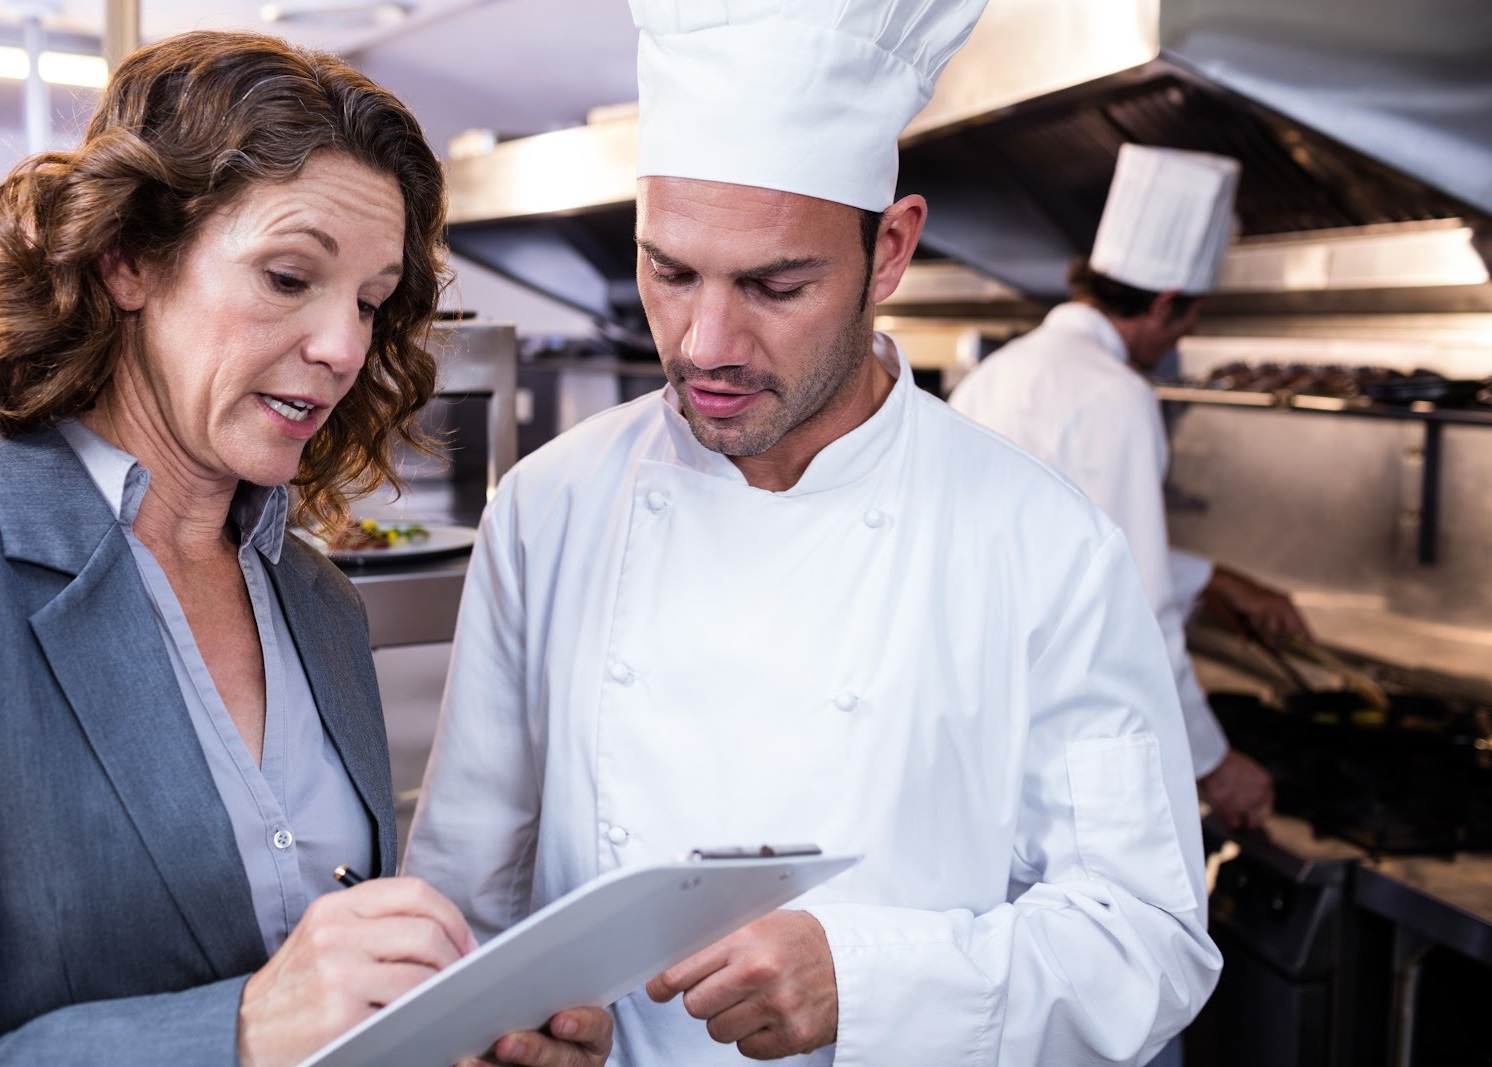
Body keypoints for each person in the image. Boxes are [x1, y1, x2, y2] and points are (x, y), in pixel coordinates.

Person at [406, 3, 1221, 1064]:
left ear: (889, 250)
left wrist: (875, 980)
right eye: (669, 271)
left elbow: (1148, 944)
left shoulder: (1041, 542)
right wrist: (488, 1029)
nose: (705, 343)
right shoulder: (548, 504)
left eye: (773, 285)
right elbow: (464, 896)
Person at [0, 31, 610, 1067]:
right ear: (126, 258)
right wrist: (225, 1032)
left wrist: (445, 1031)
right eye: (287, 276)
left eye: (369, 301)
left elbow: (318, 996)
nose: (345, 347)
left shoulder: (316, 600)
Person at [950, 144, 1312, 831]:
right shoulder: (1114, 394)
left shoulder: (1002, 372)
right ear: (1168, 304)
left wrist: (1212, 580)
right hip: (1054, 738)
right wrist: (1211, 763)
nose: (1191, 330)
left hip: (980, 722)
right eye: (1194, 315)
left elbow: (1060, 552)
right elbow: (1134, 606)